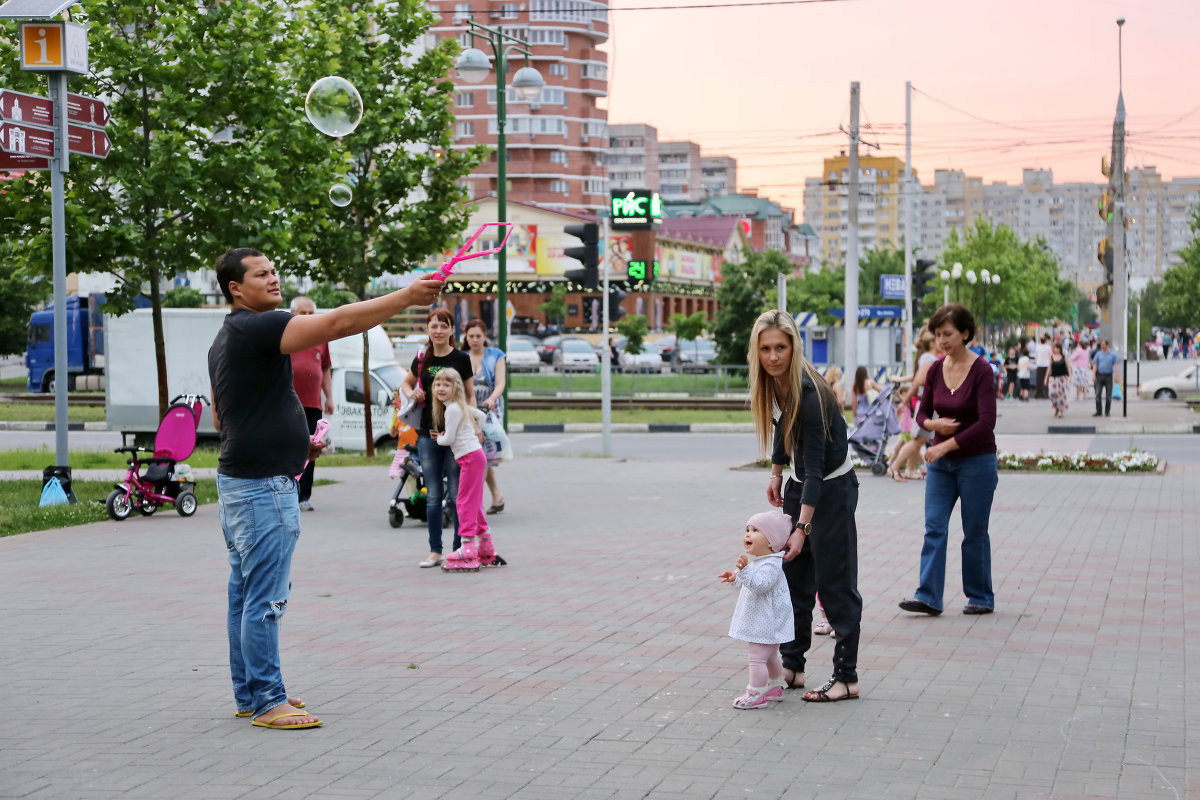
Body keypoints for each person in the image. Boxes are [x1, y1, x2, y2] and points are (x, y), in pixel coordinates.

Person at [208, 247, 442, 730]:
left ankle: (252, 694)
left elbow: (223, 414)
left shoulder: (228, 336)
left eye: (275, 270)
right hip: (261, 488)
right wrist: (409, 297)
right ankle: (269, 701)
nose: (274, 279)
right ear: (235, 287)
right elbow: (337, 324)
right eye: (261, 274)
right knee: (265, 597)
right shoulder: (259, 325)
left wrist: (295, 444)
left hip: (246, 479)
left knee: (244, 592)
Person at [750, 309, 862, 703]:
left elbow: (816, 470)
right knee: (795, 583)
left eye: (781, 347)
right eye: (766, 349)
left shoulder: (811, 393)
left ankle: (846, 677)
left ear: (794, 347)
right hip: (802, 485)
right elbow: (783, 428)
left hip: (830, 491)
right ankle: (793, 667)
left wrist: (802, 528)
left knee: (835, 585)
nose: (774, 356)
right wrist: (776, 473)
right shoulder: (776, 384)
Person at [899, 303, 999, 617]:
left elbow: (986, 422)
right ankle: (928, 596)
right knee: (934, 528)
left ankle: (980, 596)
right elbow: (922, 412)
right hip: (941, 465)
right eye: (937, 335)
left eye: (948, 334)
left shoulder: (982, 370)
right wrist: (932, 426)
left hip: (976, 461)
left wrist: (945, 445)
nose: (941, 341)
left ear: (965, 334)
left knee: (974, 531)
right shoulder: (934, 369)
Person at [400, 308, 476, 568]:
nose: (439, 331)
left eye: (444, 326)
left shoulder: (461, 358)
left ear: (452, 330)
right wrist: (413, 393)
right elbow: (406, 384)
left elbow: (470, 394)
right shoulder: (423, 357)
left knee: (456, 494)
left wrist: (476, 424)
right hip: (427, 432)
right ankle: (435, 550)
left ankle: (458, 548)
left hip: (456, 437)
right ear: (428, 329)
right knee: (433, 494)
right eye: (434, 326)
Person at [717, 510, 795, 709]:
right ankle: (775, 687)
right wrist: (735, 578)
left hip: (766, 623)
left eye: (755, 531)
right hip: (765, 622)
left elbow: (760, 585)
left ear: (771, 541)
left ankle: (756, 694)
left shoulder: (771, 565)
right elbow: (747, 583)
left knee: (756, 659)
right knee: (769, 656)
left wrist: (743, 572)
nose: (748, 534)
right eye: (747, 530)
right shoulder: (760, 561)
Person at [431, 369, 497, 571]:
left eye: (446, 385)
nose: (441, 388)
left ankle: (467, 546)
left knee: (464, 501)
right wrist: (476, 433)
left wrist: (438, 437)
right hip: (474, 456)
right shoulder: (460, 407)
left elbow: (448, 439)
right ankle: (485, 545)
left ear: (456, 388)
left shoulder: (452, 409)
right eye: (438, 384)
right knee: (474, 501)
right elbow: (481, 416)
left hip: (470, 458)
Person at [288, 296, 334, 513]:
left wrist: (329, 397)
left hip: (313, 404)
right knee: (289, 447)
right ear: (292, 314)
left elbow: (325, 369)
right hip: (288, 404)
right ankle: (288, 492)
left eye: (310, 313)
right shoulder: (287, 336)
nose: (306, 317)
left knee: (312, 448)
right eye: (302, 313)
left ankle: (303, 495)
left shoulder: (321, 338)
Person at [462, 319, 508, 514]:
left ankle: (475, 503)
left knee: (482, 454)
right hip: (467, 408)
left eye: (478, 336)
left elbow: (500, 383)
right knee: (480, 455)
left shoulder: (495, 355)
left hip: (490, 409)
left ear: (484, 336)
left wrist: (491, 400)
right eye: (471, 336)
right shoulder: (461, 356)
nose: (474, 340)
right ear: (465, 337)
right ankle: (497, 495)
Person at [888, 331, 938, 482]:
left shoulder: (926, 358)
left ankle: (906, 469)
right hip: (927, 404)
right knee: (918, 440)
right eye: (938, 338)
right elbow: (917, 382)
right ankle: (894, 467)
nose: (942, 341)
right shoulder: (929, 358)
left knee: (918, 439)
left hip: (927, 403)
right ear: (932, 343)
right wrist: (904, 401)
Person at [1092, 339, 1119, 417]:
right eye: (1101, 345)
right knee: (1097, 394)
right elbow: (1095, 364)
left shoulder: (1113, 354)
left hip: (1108, 376)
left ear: (1107, 345)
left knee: (1108, 396)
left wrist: (1117, 376)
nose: (1102, 346)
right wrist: (1093, 374)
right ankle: (1099, 411)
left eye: (1103, 345)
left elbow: (1116, 365)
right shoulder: (1098, 354)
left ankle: (1107, 412)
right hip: (1099, 376)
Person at [1046, 342, 1071, 418]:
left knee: (1061, 395)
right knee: (1051, 394)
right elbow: (1049, 368)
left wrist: (1070, 377)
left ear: (1060, 349)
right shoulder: (1051, 357)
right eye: (1054, 348)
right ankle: (1056, 407)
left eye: (1057, 348)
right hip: (1053, 378)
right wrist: (1046, 378)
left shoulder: (1064, 357)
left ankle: (1061, 410)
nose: (1056, 349)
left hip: (1062, 378)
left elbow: (1068, 367)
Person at [1034, 335, 1052, 399]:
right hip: (1046, 365)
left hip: (1039, 364)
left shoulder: (1037, 347)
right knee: (1046, 380)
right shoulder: (1048, 347)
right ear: (1046, 341)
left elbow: (1035, 355)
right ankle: (1046, 394)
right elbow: (1050, 355)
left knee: (1039, 380)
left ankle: (1039, 394)